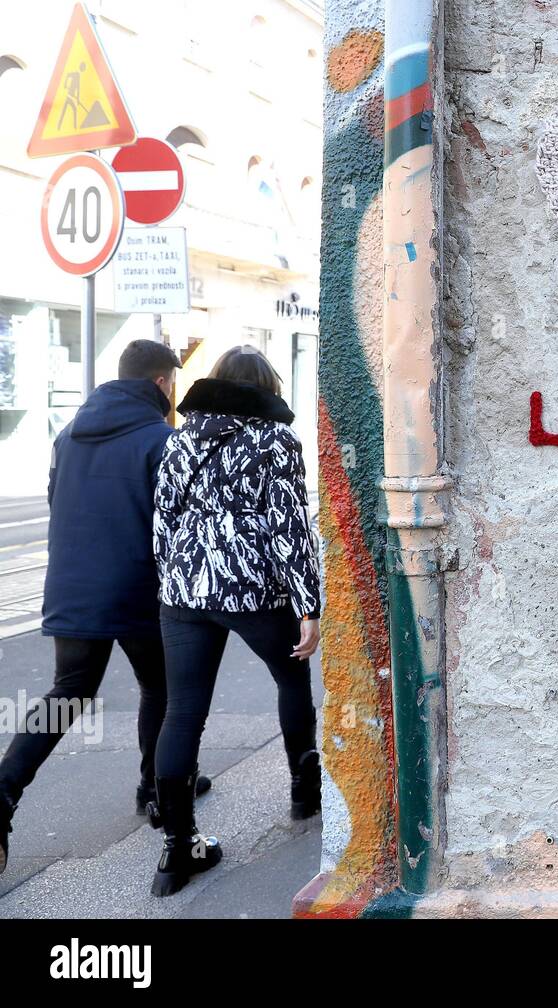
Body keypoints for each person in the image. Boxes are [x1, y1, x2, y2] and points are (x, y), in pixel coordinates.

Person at [0, 340, 210, 876]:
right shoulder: (163, 440)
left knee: (68, 692)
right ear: (162, 384)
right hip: (138, 587)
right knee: (160, 687)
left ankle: (3, 793)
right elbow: (181, 525)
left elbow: (56, 503)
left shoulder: (68, 435)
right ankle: (157, 791)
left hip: (73, 588)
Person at [149, 345, 321, 896]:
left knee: (182, 712)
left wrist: (174, 576)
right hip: (252, 589)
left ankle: (178, 852)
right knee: (291, 676)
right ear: (268, 386)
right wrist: (307, 605)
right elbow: (288, 527)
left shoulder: (181, 438)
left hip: (183, 589)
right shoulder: (276, 441)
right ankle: (303, 790)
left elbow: (163, 522)